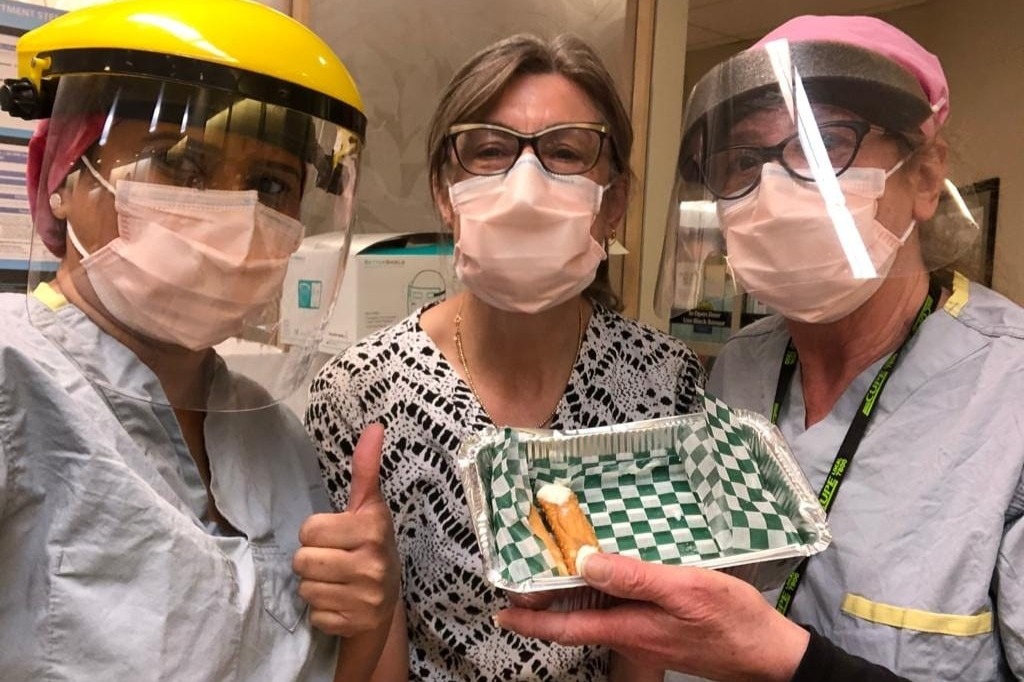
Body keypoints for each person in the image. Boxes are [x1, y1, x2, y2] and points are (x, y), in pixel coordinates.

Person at [494, 14, 1024, 682]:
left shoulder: (1009, 398)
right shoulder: (738, 370)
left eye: (828, 143)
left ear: (923, 176)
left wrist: (788, 662)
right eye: (744, 160)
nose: (777, 192)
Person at [0, 1, 399, 680]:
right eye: (182, 167)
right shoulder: (15, 376)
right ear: (63, 177)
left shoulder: (278, 439)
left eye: (270, 184)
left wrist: (373, 611)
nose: (232, 213)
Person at [305, 33, 706, 680]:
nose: (525, 186)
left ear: (616, 203)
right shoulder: (360, 392)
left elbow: (644, 643)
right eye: (490, 152)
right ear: (444, 192)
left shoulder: (662, 383)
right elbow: (362, 648)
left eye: (566, 153)